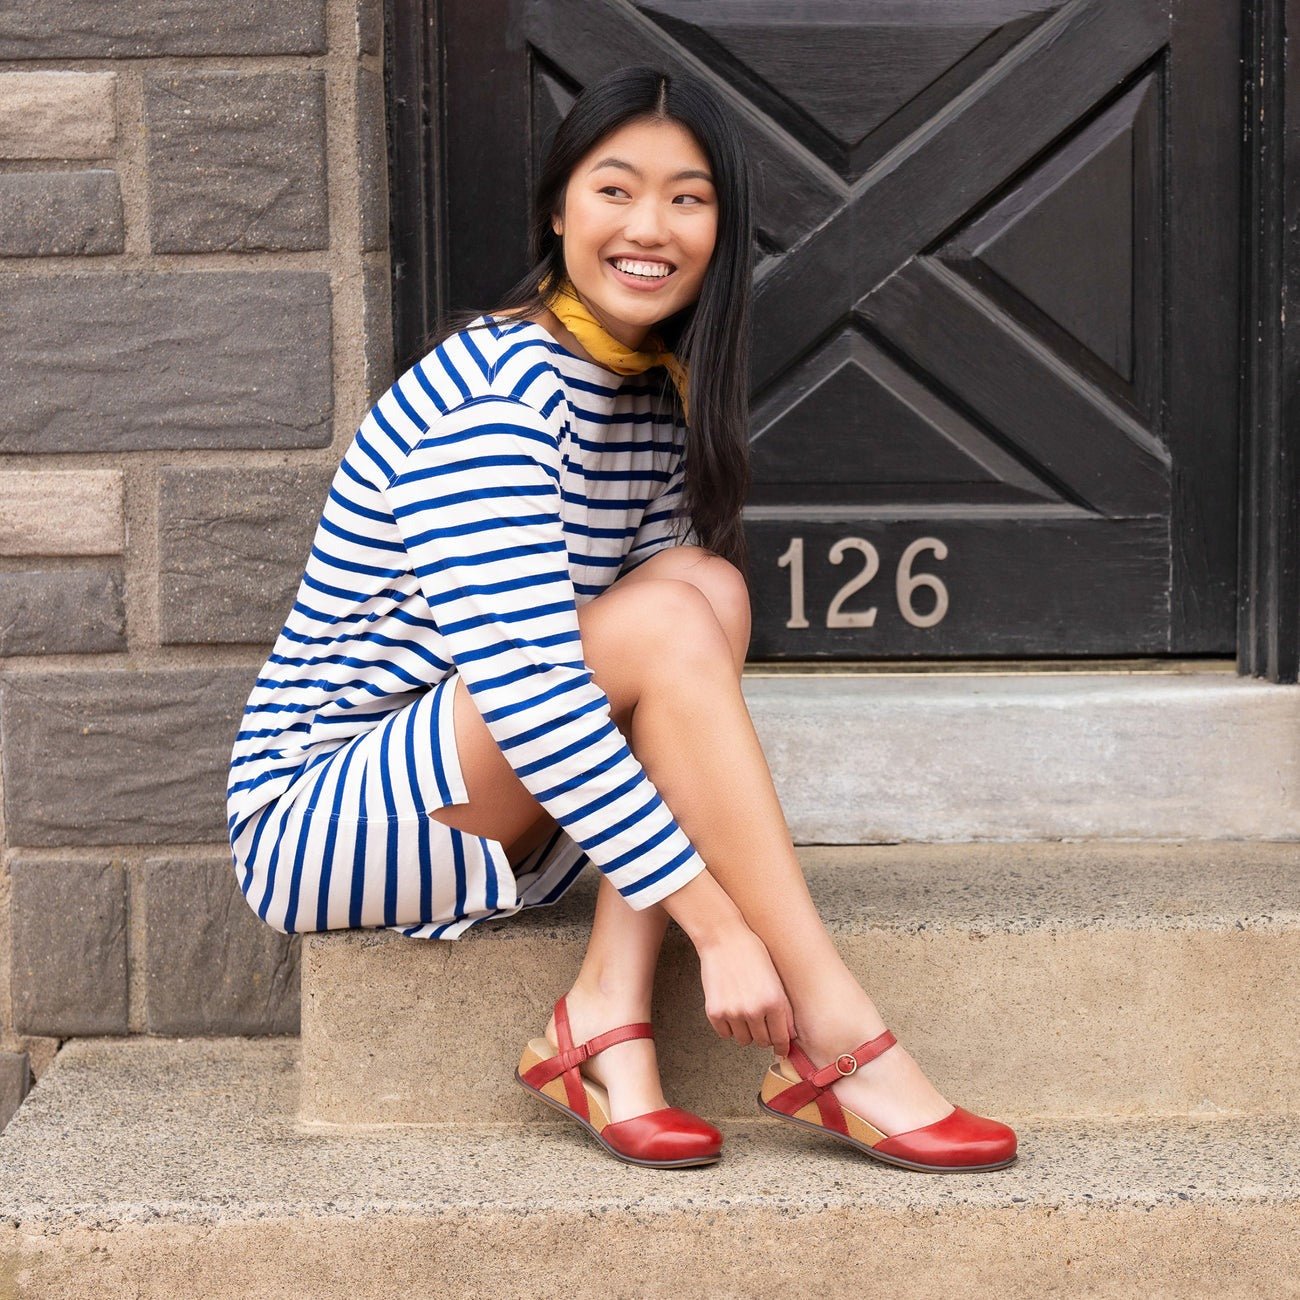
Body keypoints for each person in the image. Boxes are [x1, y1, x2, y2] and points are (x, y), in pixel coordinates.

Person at [226, 64, 1017, 1175]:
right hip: (322, 815)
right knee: (666, 622)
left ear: (720, 230)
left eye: (688, 198)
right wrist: (718, 923)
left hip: (479, 775)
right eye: (615, 190)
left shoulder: (642, 391)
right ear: (559, 210)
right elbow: (532, 689)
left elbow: (650, 678)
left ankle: (604, 1008)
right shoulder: (493, 397)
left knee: (708, 589)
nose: (650, 227)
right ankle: (834, 1026)